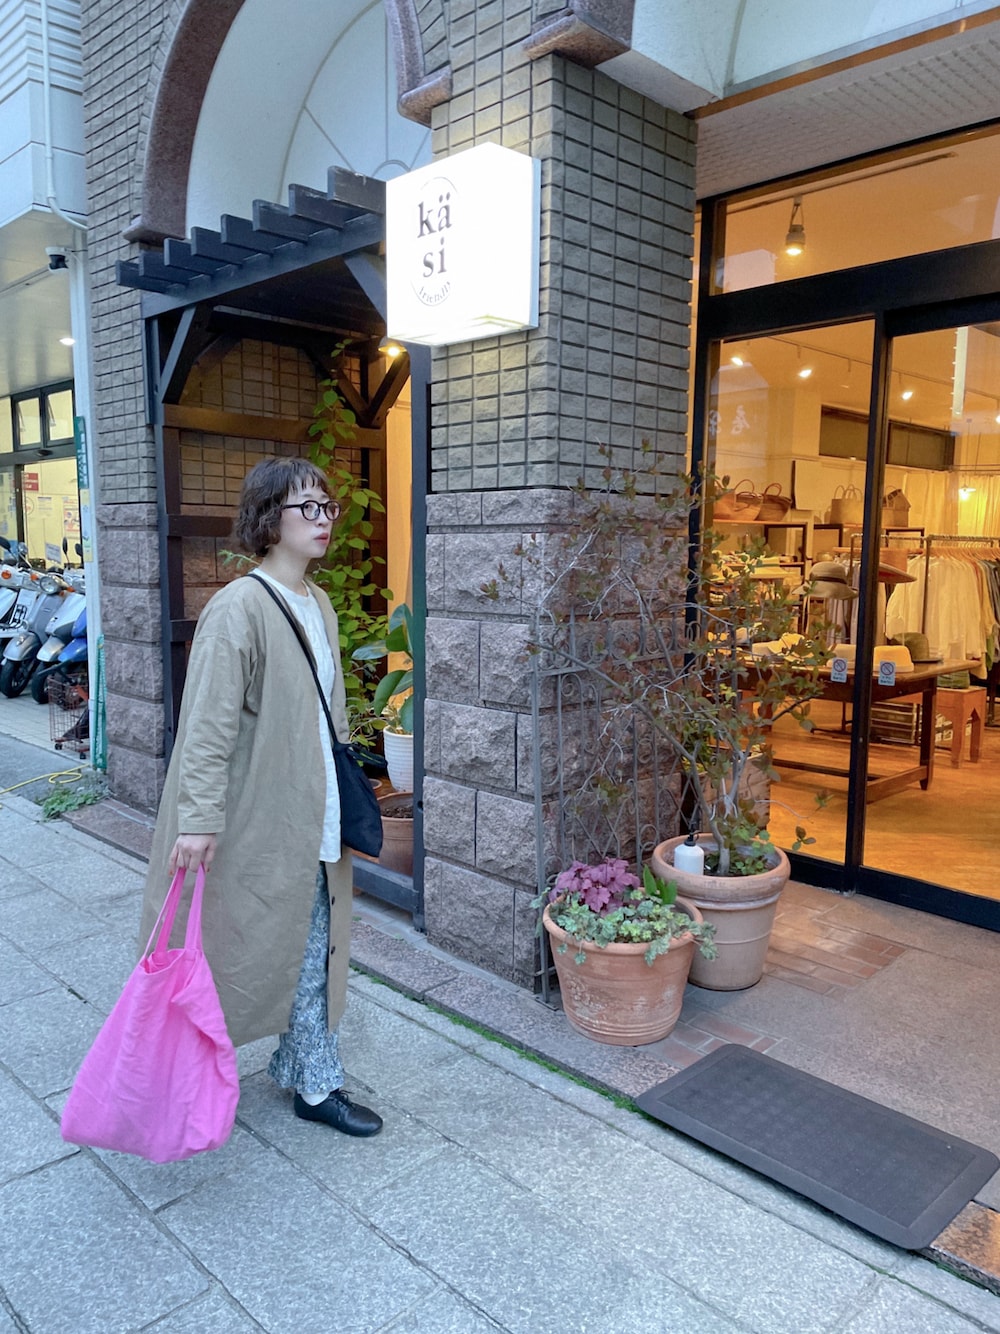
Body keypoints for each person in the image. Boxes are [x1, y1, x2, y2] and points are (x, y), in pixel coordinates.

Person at [138, 456, 382, 1137]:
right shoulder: (238, 609)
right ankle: (284, 1080)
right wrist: (197, 820)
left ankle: (307, 1071)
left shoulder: (319, 602)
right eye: (308, 507)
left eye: (328, 507)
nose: (324, 519)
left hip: (313, 803)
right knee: (263, 943)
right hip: (263, 814)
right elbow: (207, 728)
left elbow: (328, 713)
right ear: (270, 519)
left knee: (315, 943)